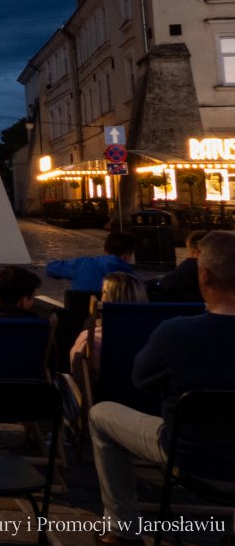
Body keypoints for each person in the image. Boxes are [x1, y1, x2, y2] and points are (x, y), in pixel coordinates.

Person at [88, 231, 235, 544]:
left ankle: (122, 527)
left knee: (101, 414)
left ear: (204, 275)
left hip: (190, 456)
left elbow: (141, 381)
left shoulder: (176, 333)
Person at [68, 272, 147, 382]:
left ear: (110, 299)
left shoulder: (92, 338)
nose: (101, 297)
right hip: (144, 394)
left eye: (104, 292)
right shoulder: (154, 334)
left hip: (105, 395)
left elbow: (77, 370)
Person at [45, 231, 137, 293]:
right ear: (126, 257)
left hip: (82, 318)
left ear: (105, 250)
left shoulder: (80, 264)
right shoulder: (132, 279)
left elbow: (50, 268)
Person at [147, 229, 204, 303]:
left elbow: (168, 284)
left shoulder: (192, 265)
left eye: (188, 251)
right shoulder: (219, 266)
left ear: (194, 252)